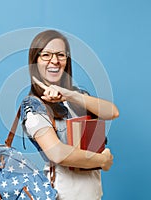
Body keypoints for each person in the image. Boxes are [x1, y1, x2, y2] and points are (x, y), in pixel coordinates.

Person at [20, 30, 119, 200]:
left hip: (93, 194)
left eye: (60, 55)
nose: (54, 61)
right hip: (64, 195)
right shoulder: (33, 105)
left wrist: (71, 94)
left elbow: (112, 112)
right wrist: (102, 161)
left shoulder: (78, 96)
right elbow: (57, 153)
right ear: (35, 61)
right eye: (46, 55)